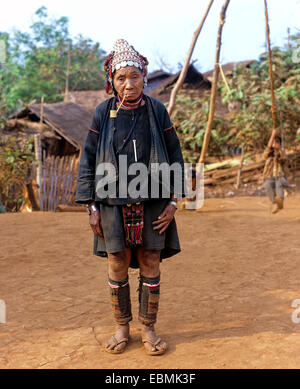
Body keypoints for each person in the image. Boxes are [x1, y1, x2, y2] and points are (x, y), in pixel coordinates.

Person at [75, 39, 186, 355]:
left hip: (153, 200)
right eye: (121, 78)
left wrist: (174, 201)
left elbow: (175, 153)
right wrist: (91, 207)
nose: (128, 84)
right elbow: (89, 158)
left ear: (144, 76)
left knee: (151, 258)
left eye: (134, 76)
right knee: (117, 259)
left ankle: (148, 329)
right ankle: (122, 327)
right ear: (111, 80)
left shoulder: (157, 110)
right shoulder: (102, 113)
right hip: (111, 201)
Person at [263, 128, 289, 214]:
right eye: (274, 142)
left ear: (280, 144)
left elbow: (284, 159)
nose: (274, 144)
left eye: (277, 142)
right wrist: (273, 134)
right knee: (267, 185)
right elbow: (268, 147)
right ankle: (275, 203)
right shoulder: (269, 153)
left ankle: (280, 200)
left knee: (279, 185)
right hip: (271, 177)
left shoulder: (282, 153)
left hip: (281, 176)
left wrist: (280, 149)